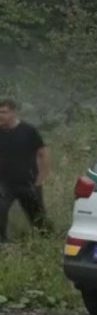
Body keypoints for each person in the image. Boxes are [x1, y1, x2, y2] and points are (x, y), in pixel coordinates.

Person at [0, 97, 51, 243]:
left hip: (28, 181)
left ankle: (47, 242)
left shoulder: (28, 131)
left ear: (13, 113)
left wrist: (41, 179)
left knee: (38, 218)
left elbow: (44, 153)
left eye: (4, 112)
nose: (0, 115)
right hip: (4, 183)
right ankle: (3, 244)